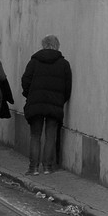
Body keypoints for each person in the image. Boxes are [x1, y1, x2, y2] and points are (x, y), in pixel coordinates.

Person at [21, 35, 72, 175]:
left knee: (35, 136)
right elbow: (68, 87)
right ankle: (48, 167)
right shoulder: (64, 64)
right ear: (57, 45)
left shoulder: (34, 62)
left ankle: (33, 168)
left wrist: (29, 95)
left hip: (36, 103)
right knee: (51, 136)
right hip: (54, 104)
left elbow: (25, 80)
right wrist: (61, 100)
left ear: (44, 45)